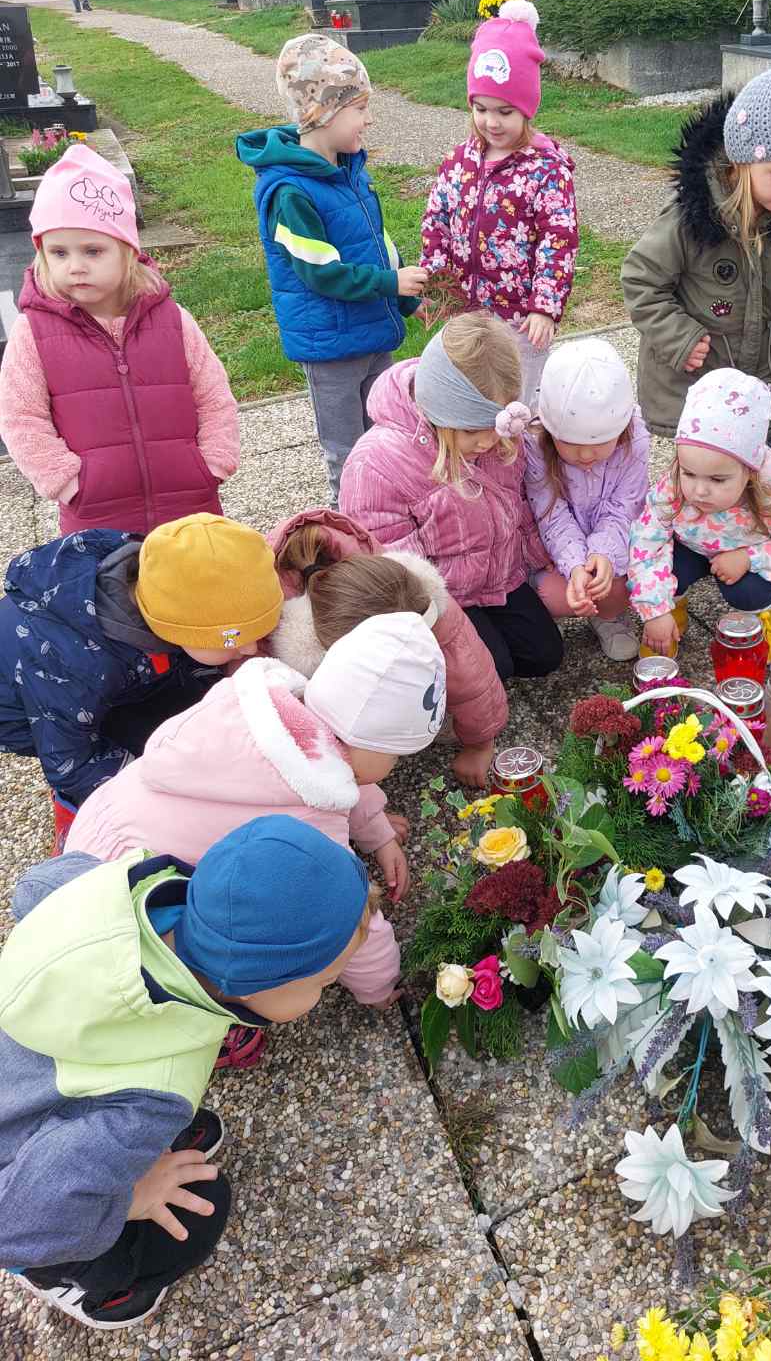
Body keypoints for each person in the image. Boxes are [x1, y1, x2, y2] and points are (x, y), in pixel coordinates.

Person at [0, 814, 377, 1331]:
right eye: (324, 983)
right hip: (17, 1181)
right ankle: (70, 1279)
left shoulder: (125, 884)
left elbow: (36, 886)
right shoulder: (153, 1097)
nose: (322, 995)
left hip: (28, 1053)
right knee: (200, 1210)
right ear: (259, 983)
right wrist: (129, 1199)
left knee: (123, 1151)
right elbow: (17, 1220)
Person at [65, 612, 446, 1013]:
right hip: (131, 904)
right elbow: (345, 919)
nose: (393, 766)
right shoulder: (311, 821)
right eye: (394, 755)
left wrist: (378, 834)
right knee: (212, 960)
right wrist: (379, 985)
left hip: (100, 823)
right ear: (370, 744)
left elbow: (338, 772)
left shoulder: (266, 707)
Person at [0, 514, 283, 846]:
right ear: (180, 629)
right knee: (104, 775)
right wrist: (162, 793)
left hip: (113, 673)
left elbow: (195, 652)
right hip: (27, 711)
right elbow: (70, 763)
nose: (251, 648)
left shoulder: (159, 577)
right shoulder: (77, 669)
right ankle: (75, 833)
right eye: (237, 640)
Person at [0, 144, 240, 536]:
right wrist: (67, 482)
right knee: (111, 580)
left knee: (196, 577)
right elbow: (21, 417)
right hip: (96, 517)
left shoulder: (173, 321)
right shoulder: (34, 333)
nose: (75, 266)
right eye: (59, 253)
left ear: (127, 250)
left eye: (93, 251)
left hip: (190, 505)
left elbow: (213, 395)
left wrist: (213, 462)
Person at [236, 34, 428, 503]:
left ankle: (385, 510)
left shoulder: (348, 171)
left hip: (371, 333)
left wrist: (405, 299)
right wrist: (391, 284)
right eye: (359, 108)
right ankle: (350, 524)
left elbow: (376, 244)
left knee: (386, 433)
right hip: (331, 348)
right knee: (346, 448)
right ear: (323, 111)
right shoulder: (290, 193)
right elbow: (320, 272)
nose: (369, 119)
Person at [621, 60, 771, 449]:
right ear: (741, 162)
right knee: (702, 482)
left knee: (763, 481)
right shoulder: (689, 220)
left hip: (762, 391)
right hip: (695, 396)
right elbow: (641, 279)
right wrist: (679, 337)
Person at [339, 312, 562, 686]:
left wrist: (541, 559)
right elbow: (398, 570)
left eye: (495, 427)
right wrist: (431, 618)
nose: (489, 441)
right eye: (473, 431)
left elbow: (521, 508)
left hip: (495, 580)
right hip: (439, 599)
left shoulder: (500, 440)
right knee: (493, 669)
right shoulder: (377, 465)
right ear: (438, 411)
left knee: (544, 655)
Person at [266, 508, 508, 790]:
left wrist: (480, 745)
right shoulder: (282, 650)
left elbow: (473, 683)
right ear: (324, 651)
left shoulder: (419, 599)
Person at [420, 0, 578, 407]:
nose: (491, 122)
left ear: (527, 109)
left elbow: (558, 241)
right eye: (481, 108)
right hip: (465, 315)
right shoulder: (459, 161)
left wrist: (544, 307)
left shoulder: (546, 169)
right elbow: (436, 223)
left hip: (520, 320)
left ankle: (520, 448)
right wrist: (436, 287)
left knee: (517, 404)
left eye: (505, 111)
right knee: (470, 401)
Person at [627, 368, 771, 657]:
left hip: (744, 555)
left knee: (753, 591)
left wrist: (749, 557)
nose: (699, 491)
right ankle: (672, 617)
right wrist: (655, 610)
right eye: (689, 473)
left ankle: (759, 625)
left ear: (750, 471)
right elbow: (646, 545)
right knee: (671, 567)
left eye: (717, 479)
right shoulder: (673, 487)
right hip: (690, 548)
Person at [524, 337, 649, 663]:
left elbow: (625, 508)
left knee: (624, 586)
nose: (585, 455)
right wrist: (575, 564)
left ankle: (609, 616)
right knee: (554, 595)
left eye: (601, 443)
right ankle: (575, 598)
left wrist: (603, 554)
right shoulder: (535, 443)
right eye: (570, 443)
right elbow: (550, 514)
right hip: (556, 552)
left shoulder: (635, 441)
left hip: (615, 544)